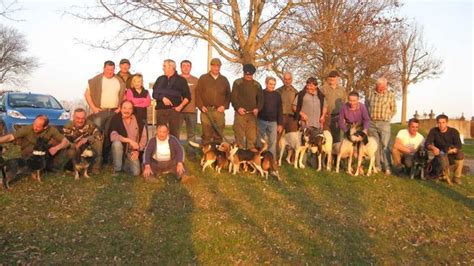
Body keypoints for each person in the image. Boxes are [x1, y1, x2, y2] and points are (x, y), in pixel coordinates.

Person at [84, 60, 126, 163]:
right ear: (104, 69)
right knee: (97, 135)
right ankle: (96, 159)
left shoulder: (119, 80)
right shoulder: (96, 80)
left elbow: (124, 95)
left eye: (112, 69)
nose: (110, 72)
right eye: (108, 69)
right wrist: (93, 107)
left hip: (114, 112)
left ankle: (107, 159)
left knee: (110, 135)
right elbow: (87, 94)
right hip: (100, 111)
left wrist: (120, 108)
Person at [0, 115, 70, 169]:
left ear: (45, 127)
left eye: (38, 127)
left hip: (42, 152)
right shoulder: (27, 129)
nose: (35, 128)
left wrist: (56, 148)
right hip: (28, 153)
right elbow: (10, 137)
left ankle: (51, 166)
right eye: (34, 125)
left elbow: (66, 141)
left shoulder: (51, 130)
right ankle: (32, 167)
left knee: (62, 146)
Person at [195, 58, 231, 145]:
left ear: (220, 67)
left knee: (218, 135)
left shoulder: (224, 80)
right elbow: (198, 93)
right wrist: (201, 106)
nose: (216, 68)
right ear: (211, 66)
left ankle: (218, 156)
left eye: (218, 66)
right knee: (207, 135)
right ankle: (206, 156)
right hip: (206, 111)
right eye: (214, 66)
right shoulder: (203, 78)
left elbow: (229, 95)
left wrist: (224, 106)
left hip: (219, 111)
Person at [152, 59, 191, 138]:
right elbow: (154, 94)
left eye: (164, 66)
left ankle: (174, 150)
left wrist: (179, 107)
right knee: (160, 134)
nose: (163, 68)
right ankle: (160, 150)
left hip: (174, 112)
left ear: (171, 67)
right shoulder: (160, 79)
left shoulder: (181, 80)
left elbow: (187, 97)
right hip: (161, 111)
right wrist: (162, 98)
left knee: (174, 135)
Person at [365, 77, 396, 175]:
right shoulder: (370, 93)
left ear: (386, 86)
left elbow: (394, 109)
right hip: (372, 123)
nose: (382, 88)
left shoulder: (390, 95)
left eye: (384, 86)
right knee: (375, 146)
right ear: (376, 85)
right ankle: (377, 166)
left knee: (385, 146)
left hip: (384, 123)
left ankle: (387, 167)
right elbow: (366, 106)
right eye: (380, 86)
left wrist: (387, 118)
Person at [109, 100, 148, 176]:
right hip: (121, 149)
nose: (127, 111)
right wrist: (129, 141)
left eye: (130, 108)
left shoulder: (138, 119)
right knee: (116, 143)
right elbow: (113, 136)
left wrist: (137, 150)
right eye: (124, 108)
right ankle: (117, 169)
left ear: (132, 110)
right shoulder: (115, 119)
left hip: (133, 150)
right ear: (120, 109)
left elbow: (144, 137)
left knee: (136, 172)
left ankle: (125, 163)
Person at [231, 63, 264, 150]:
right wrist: (238, 108)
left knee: (252, 138)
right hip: (240, 114)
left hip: (252, 115)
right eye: (247, 74)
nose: (248, 76)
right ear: (244, 73)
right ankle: (239, 159)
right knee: (239, 136)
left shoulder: (257, 85)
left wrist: (258, 108)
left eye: (250, 75)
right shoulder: (237, 83)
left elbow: (261, 100)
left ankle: (250, 159)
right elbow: (233, 98)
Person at [62, 108, 104, 174]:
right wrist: (76, 145)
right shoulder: (68, 126)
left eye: (82, 118)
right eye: (78, 118)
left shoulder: (91, 124)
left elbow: (99, 135)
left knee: (98, 142)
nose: (80, 120)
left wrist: (88, 139)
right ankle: (74, 169)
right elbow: (65, 142)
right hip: (74, 149)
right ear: (73, 117)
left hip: (88, 148)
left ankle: (95, 168)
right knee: (71, 152)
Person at [425, 114, 464, 184]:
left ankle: (456, 177)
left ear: (447, 123)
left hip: (450, 153)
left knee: (460, 154)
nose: (441, 125)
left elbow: (459, 145)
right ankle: (442, 175)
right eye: (439, 123)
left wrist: (453, 150)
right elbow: (427, 143)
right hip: (440, 154)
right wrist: (433, 148)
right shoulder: (433, 131)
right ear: (437, 123)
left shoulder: (453, 131)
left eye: (443, 122)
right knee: (438, 162)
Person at [257, 76, 283, 157]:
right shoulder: (261, 93)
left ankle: (271, 160)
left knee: (272, 142)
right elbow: (257, 106)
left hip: (273, 122)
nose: (272, 86)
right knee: (260, 141)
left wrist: (280, 124)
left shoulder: (277, 95)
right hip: (261, 120)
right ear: (266, 83)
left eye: (274, 84)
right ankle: (259, 158)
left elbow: (280, 110)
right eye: (270, 84)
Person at [320, 70, 347, 142]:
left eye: (333, 77)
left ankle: (335, 152)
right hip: (327, 116)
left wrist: (345, 116)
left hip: (338, 116)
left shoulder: (342, 90)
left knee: (338, 137)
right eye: (330, 77)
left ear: (338, 78)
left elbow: (345, 103)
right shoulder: (323, 89)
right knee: (327, 137)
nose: (332, 79)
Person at [179, 60, 199, 142]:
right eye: (184, 66)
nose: (186, 67)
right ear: (180, 68)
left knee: (191, 134)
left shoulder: (195, 80)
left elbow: (199, 94)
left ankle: (191, 154)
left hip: (191, 110)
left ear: (190, 67)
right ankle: (176, 153)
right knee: (175, 133)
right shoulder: (176, 79)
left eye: (188, 66)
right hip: (178, 110)